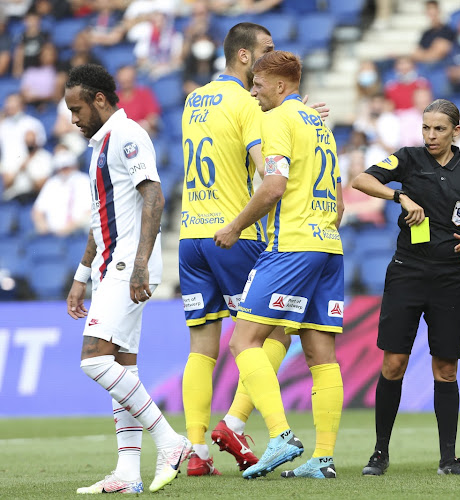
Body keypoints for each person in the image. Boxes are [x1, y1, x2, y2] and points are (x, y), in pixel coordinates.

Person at [214, 50, 344, 480]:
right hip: (329, 245)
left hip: (291, 246)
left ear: (281, 86)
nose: (253, 93)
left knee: (242, 341)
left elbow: (273, 187)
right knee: (320, 354)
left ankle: (279, 435)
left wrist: (234, 227)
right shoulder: (320, 126)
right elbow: (339, 202)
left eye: (258, 85)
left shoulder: (277, 120)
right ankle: (323, 459)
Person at [64, 63, 191, 494]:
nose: (74, 119)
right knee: (121, 366)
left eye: (78, 109)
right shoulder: (100, 145)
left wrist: (139, 263)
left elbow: (153, 195)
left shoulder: (129, 135)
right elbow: (101, 219)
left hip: (126, 265)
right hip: (108, 266)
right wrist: (82, 275)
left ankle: (170, 441)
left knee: (93, 360)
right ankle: (128, 472)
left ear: (100, 100)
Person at [352, 98, 460, 476]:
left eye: (439, 129)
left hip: (450, 276)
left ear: (456, 131)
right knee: (394, 363)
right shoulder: (408, 159)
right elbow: (360, 179)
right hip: (407, 272)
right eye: (426, 127)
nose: (431, 135)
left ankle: (449, 459)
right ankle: (379, 454)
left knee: (446, 369)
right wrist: (399, 196)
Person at [179, 22, 293, 477]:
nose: (272, 56)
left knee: (201, 349)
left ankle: (196, 451)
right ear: (244, 57)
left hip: (190, 237)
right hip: (234, 235)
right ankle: (235, 423)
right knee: (278, 331)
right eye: (265, 51)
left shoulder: (194, 99)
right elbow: (270, 174)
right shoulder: (246, 103)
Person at [31, 148, 90, 236]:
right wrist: (43, 226)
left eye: (67, 167)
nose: (64, 170)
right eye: (61, 167)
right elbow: (37, 211)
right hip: (53, 234)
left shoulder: (84, 180)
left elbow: (90, 211)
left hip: (78, 232)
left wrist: (70, 227)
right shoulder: (52, 183)